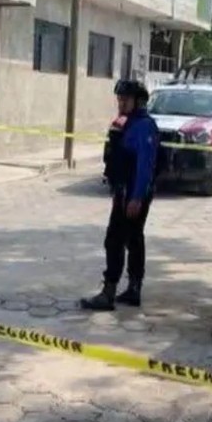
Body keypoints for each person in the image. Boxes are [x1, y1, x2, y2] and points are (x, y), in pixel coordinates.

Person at [81, 80, 159, 311]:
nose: (121, 103)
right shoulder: (129, 123)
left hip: (132, 194)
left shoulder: (143, 126)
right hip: (125, 191)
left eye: (125, 99)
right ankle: (134, 289)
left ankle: (108, 292)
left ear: (139, 102)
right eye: (119, 99)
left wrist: (135, 197)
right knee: (134, 238)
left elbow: (145, 165)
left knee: (114, 240)